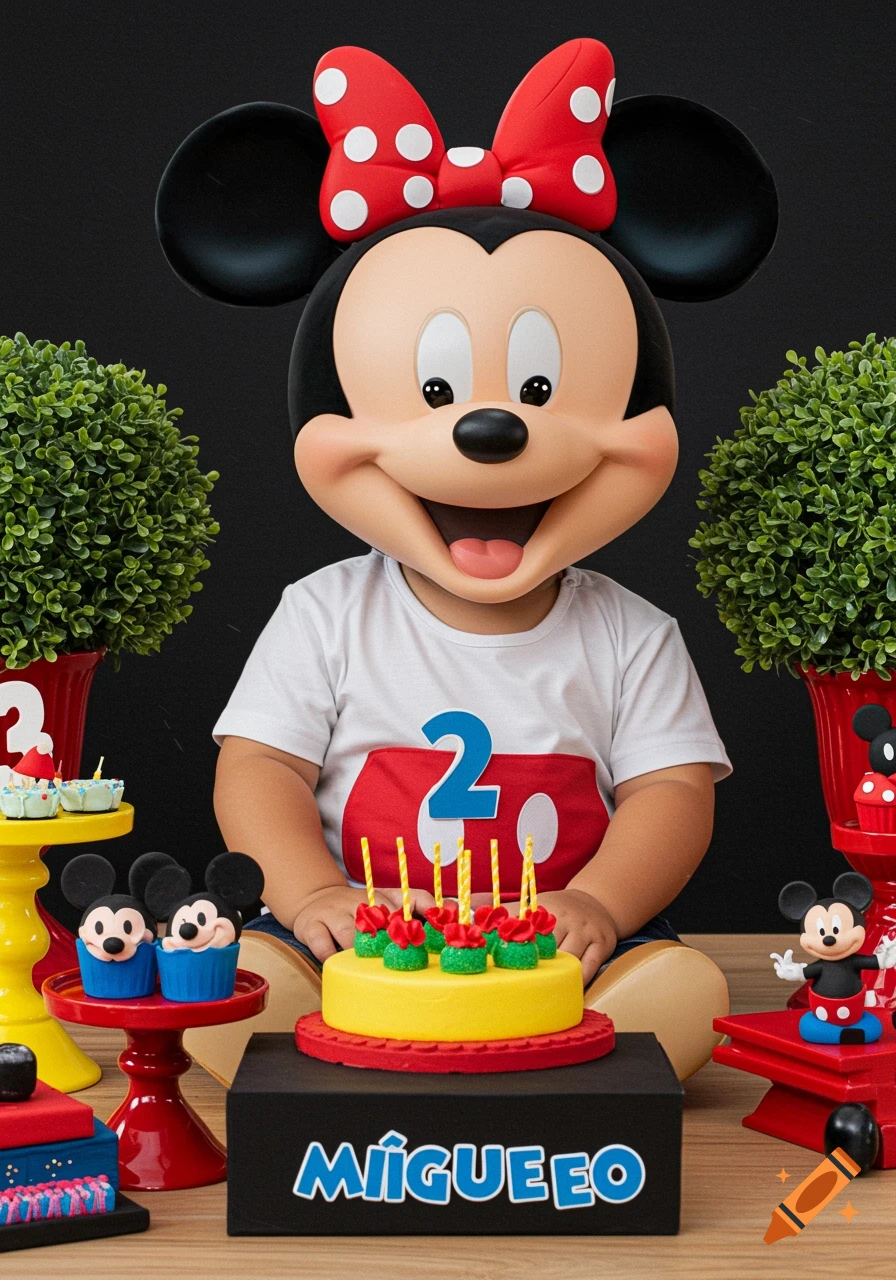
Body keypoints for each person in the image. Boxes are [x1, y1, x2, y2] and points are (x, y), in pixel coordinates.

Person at [155, 39, 777, 1083]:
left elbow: (671, 791)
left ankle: (601, 1026)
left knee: (676, 988)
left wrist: (601, 904)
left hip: (556, 953)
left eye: (538, 391)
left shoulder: (628, 632)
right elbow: (258, 766)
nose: (490, 434)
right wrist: (310, 892)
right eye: (436, 393)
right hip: (363, 944)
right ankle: (289, 1003)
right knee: (242, 965)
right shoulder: (323, 613)